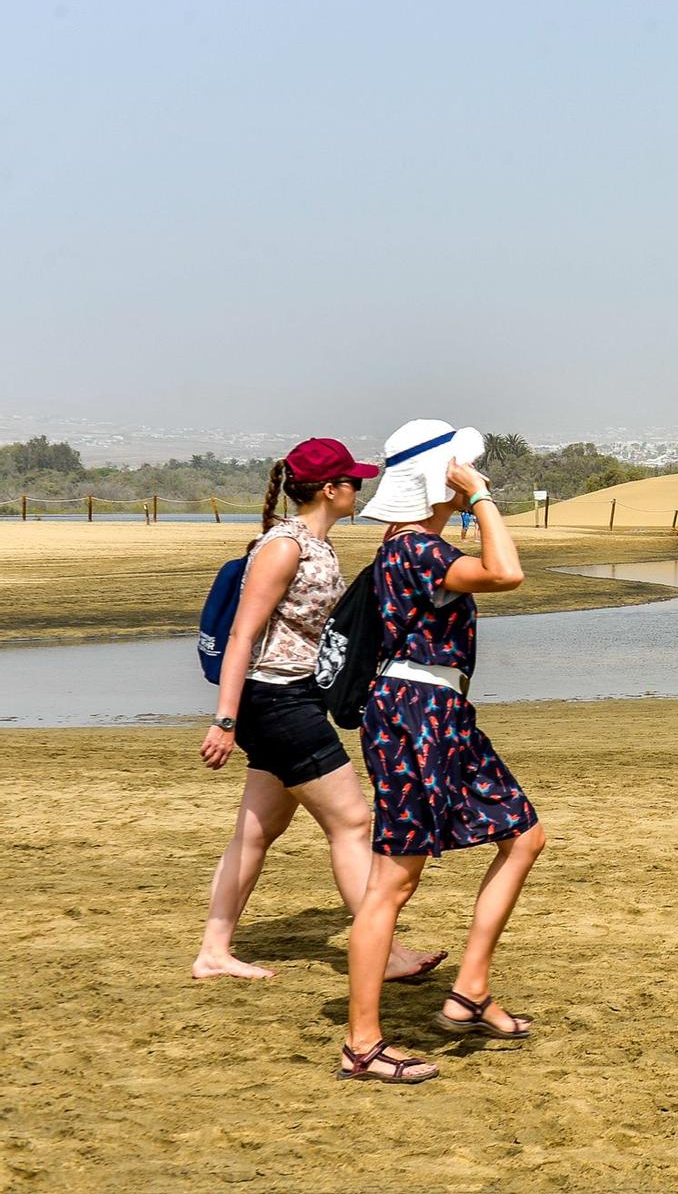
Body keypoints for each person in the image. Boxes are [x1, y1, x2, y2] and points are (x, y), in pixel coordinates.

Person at [338, 420, 547, 1085]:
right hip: (414, 714)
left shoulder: (411, 546)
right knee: (392, 882)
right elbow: (507, 571)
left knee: (524, 834)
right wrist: (481, 495)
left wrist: (464, 498)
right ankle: (362, 1043)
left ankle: (471, 987)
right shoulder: (415, 551)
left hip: (442, 712)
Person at [195, 438, 446, 984]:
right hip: (277, 700)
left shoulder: (316, 545)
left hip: (289, 697)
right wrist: (225, 719)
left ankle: (214, 951)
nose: (360, 488)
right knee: (352, 822)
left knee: (257, 831)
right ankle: (387, 952)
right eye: (353, 481)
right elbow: (243, 635)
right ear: (330, 489)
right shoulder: (284, 548)